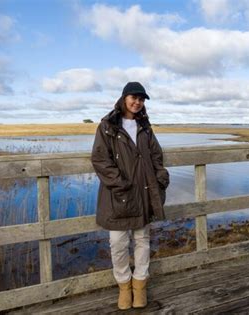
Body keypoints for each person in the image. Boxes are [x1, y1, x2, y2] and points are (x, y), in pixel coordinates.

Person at [91, 82, 169, 310]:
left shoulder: (145, 126)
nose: (138, 102)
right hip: (119, 194)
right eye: (134, 97)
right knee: (117, 243)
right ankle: (124, 286)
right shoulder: (107, 126)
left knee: (143, 240)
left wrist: (161, 177)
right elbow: (100, 159)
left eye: (142, 99)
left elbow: (156, 155)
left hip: (144, 193)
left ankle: (140, 286)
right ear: (124, 97)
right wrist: (121, 183)